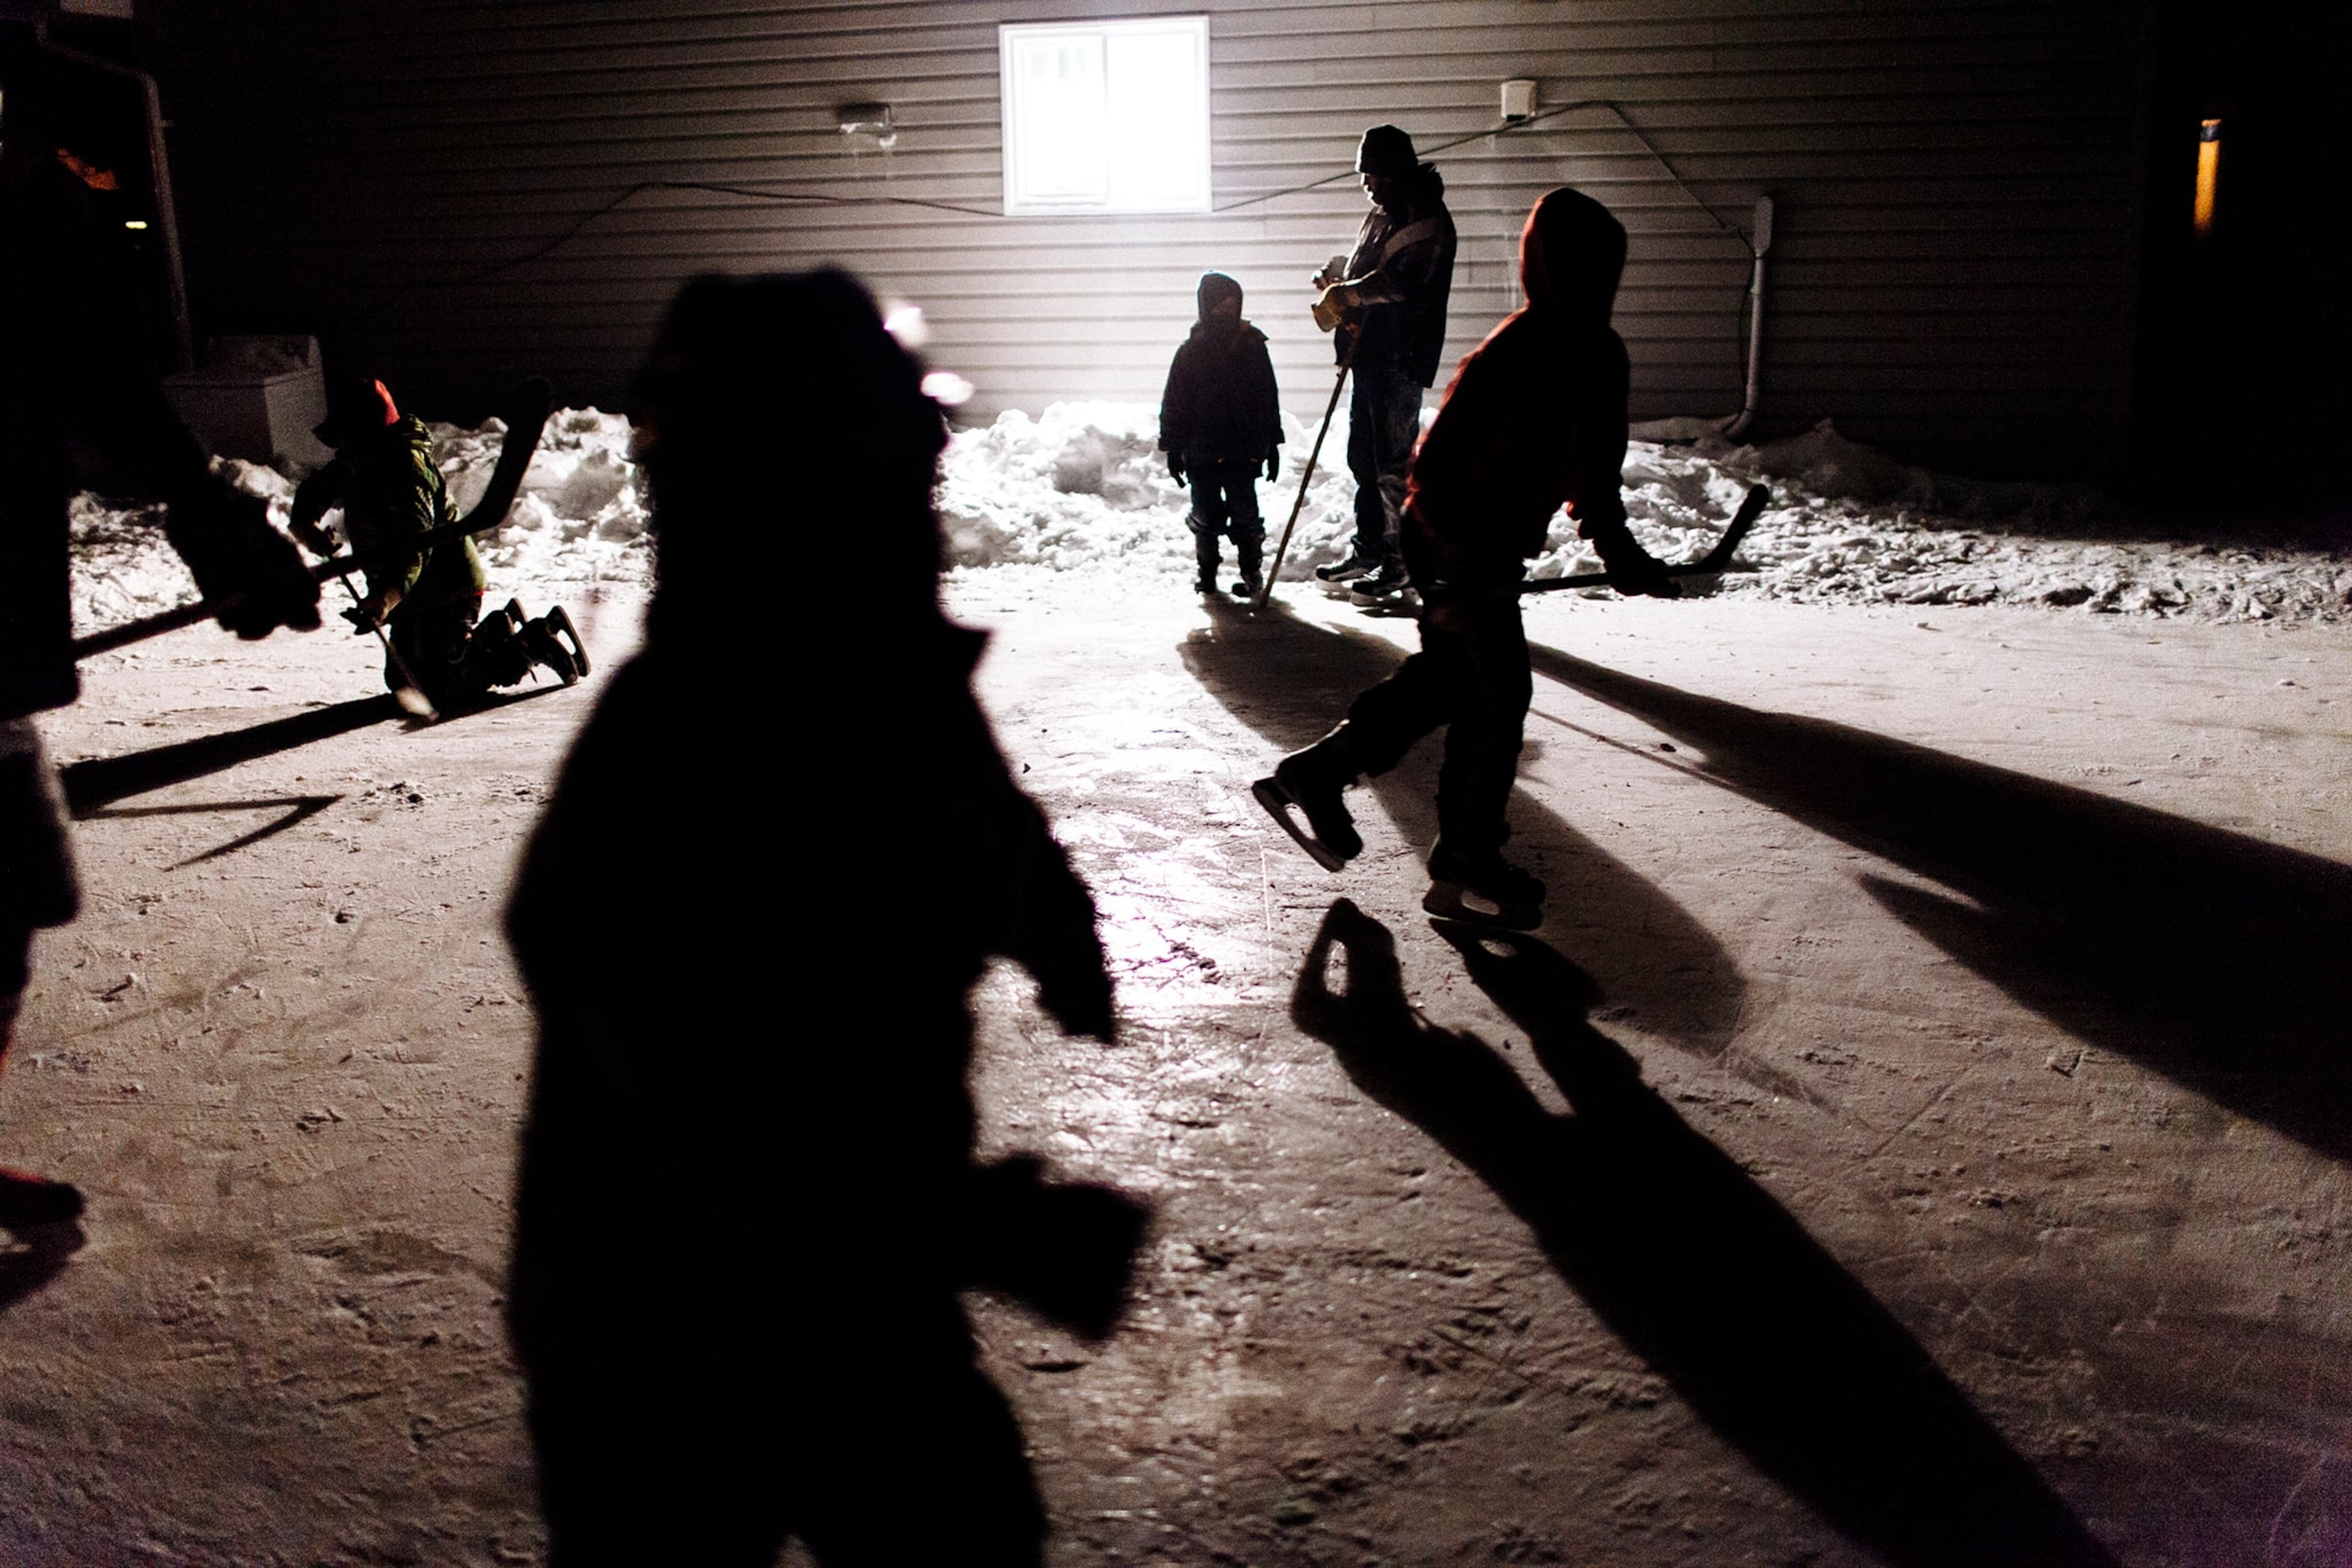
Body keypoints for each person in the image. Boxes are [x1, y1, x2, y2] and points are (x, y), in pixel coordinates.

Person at [504, 269, 1144, 1566]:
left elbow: (985, 824)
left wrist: (1056, 930)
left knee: (960, 1526)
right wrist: (961, 1226)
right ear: (787, 499)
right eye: (894, 479)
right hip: (658, 1328)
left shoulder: (893, 681)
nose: (924, 510)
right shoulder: (675, 742)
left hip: (865, 1274)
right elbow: (683, 1089)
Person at [1, 31, 321, 1230]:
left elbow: (86, 391)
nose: (94, 187)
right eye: (80, 167)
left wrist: (204, 511)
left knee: (13, 893)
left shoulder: (35, 228)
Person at [1255, 187, 1682, 929]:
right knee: (1495, 692)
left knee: (1449, 682)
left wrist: (1622, 553)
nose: (1590, 285)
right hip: (1450, 537)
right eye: (1577, 269)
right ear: (1548, 269)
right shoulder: (1514, 354)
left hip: (1487, 543)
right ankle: (1465, 854)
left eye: (1601, 271)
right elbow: (1438, 467)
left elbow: (1594, 467)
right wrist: (1454, 574)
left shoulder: (1599, 355)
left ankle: (1316, 774)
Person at [289, 371, 584, 710]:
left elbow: (414, 551)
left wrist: (385, 600)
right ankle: (493, 633)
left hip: (447, 587)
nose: (342, 447)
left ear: (366, 434)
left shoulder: (406, 472)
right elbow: (315, 491)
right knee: (402, 682)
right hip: (410, 591)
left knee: (442, 688)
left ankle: (532, 643)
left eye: (347, 437)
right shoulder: (357, 463)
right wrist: (305, 524)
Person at [1309, 122, 1456, 605]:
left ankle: (1402, 564)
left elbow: (1402, 283)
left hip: (1400, 357)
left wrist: (1348, 293)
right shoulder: (1381, 214)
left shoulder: (1425, 218)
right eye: (1363, 175)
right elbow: (1363, 267)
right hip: (1367, 354)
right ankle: (1370, 548)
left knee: (1393, 466)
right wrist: (1337, 276)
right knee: (1364, 461)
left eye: (1373, 174)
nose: (1367, 184)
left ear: (1395, 171)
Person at [1158, 270, 1283, 598]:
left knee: (1245, 515)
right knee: (1206, 516)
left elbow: (1267, 397)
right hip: (1202, 450)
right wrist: (1173, 446)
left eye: (1232, 305)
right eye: (1219, 306)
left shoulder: (1253, 348)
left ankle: (1251, 572)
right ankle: (1207, 572)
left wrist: (1272, 442)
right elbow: (1176, 401)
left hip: (1243, 449)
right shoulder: (1190, 352)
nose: (1226, 312)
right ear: (1206, 307)